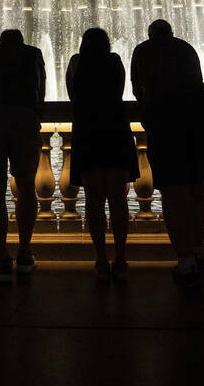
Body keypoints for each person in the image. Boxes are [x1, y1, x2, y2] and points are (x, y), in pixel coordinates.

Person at [130, 19, 204, 283]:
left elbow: (138, 89)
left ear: (150, 35)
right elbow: (198, 81)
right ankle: (199, 251)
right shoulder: (186, 48)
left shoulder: (143, 50)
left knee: (171, 192)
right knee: (196, 186)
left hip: (166, 124)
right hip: (199, 121)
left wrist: (148, 113)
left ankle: (185, 260)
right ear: (171, 33)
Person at [67, 27, 139, 281]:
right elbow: (119, 91)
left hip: (88, 132)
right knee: (118, 199)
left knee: (94, 200)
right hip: (116, 130)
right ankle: (121, 258)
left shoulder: (76, 62)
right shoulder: (115, 60)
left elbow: (73, 97)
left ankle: (100, 259)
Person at [0, 29, 46, 282]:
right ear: (22, 42)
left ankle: (2, 257)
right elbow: (41, 90)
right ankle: (25, 252)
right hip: (23, 119)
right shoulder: (33, 54)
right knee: (26, 187)